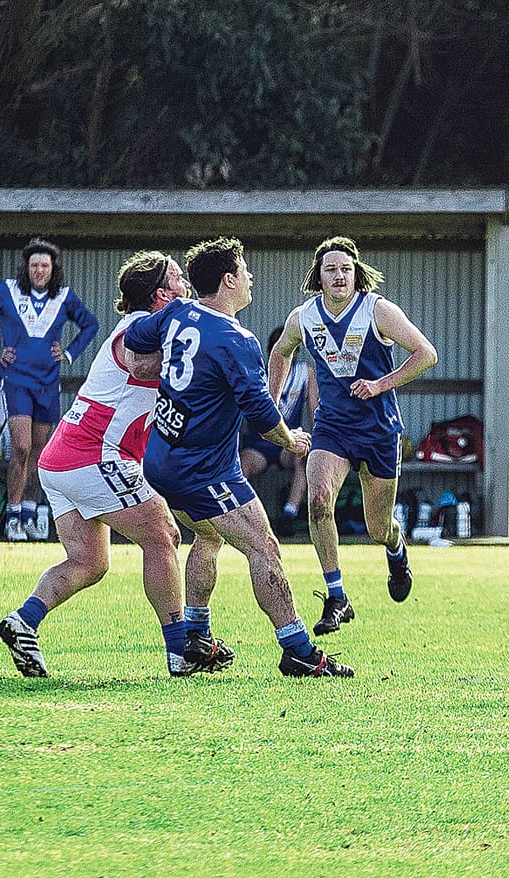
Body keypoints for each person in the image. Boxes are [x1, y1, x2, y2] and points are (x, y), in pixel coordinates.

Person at [0, 250, 231, 681]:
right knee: (163, 535)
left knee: (90, 562)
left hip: (63, 458)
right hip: (94, 454)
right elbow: (141, 364)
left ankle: (24, 621)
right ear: (161, 295)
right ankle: (180, 652)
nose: (186, 286)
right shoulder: (137, 329)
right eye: (179, 279)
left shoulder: (155, 329)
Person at [123, 237, 351, 678]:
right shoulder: (237, 339)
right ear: (228, 280)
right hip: (203, 471)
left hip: (161, 460)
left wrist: (163, 363)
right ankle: (299, 650)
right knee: (263, 547)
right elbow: (263, 415)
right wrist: (291, 440)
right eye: (245, 270)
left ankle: (196, 635)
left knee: (208, 538)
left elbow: (134, 336)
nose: (251, 277)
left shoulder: (176, 312)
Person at [267, 235, 439, 636]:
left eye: (346, 268)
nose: (339, 275)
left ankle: (396, 549)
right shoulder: (303, 317)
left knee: (377, 528)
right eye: (331, 269)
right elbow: (281, 352)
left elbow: (426, 354)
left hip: (379, 431)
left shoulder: (378, 309)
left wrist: (381, 384)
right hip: (332, 429)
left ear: (356, 272)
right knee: (319, 501)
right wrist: (272, 406)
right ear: (319, 276)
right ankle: (337, 596)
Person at [0, 239, 100, 542]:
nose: (39, 270)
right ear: (26, 268)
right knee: (21, 447)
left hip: (48, 383)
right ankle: (12, 517)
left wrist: (69, 353)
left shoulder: (63, 297)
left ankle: (30, 513)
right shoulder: (8, 291)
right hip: (17, 381)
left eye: (44, 265)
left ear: (52, 269)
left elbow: (91, 324)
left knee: (40, 452)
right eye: (34, 265)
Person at [241, 325, 314, 530]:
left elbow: (314, 411)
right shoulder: (257, 373)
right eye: (279, 349)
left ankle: (289, 515)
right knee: (240, 466)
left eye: (290, 349)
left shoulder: (305, 372)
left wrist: (318, 442)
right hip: (259, 443)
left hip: (288, 442)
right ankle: (248, 519)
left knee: (303, 458)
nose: (285, 353)